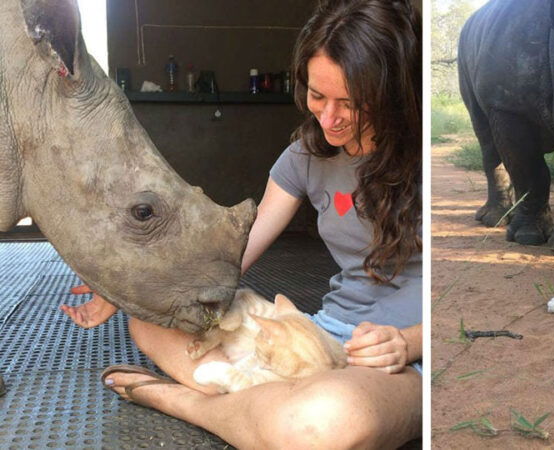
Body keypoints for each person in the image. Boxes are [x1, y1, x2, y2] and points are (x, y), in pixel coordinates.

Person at [60, 0, 422, 447]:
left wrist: (408, 344)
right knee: (149, 321)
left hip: (403, 359)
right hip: (318, 337)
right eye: (317, 95)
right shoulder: (306, 157)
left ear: (392, 90)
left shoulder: (429, 158)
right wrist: (131, 285)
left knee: (327, 422)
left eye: (350, 103)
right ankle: (272, 407)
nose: (328, 118)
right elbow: (234, 252)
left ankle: (190, 403)